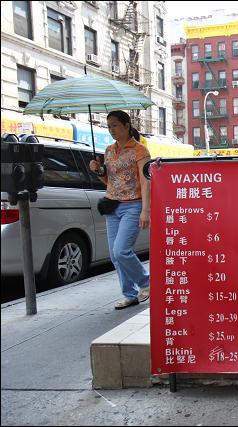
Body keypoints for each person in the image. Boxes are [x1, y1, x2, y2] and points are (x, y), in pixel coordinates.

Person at [89, 110, 151, 310]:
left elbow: (145, 180)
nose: (111, 130)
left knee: (121, 250)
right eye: (108, 126)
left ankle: (146, 282)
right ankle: (129, 294)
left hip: (133, 205)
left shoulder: (140, 150)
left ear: (126, 125)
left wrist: (145, 210)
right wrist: (98, 171)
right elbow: (109, 181)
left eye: (115, 125)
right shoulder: (109, 150)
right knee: (115, 256)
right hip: (112, 205)